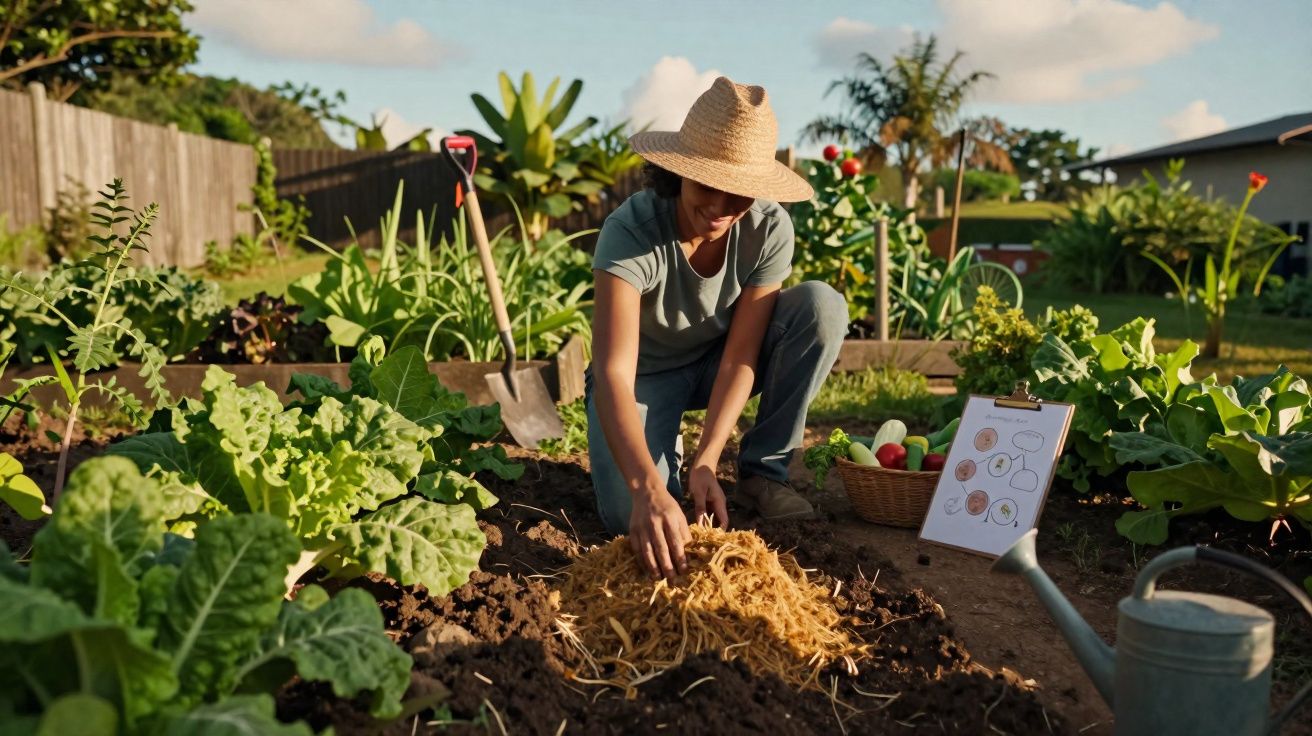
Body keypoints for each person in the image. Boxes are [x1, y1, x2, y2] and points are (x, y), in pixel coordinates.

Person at [587, 76, 848, 582]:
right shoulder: (632, 232)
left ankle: (761, 472)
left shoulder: (768, 228)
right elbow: (614, 373)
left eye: (741, 195)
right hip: (643, 376)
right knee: (629, 517)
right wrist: (647, 489)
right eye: (708, 186)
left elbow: (741, 355)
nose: (722, 209)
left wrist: (708, 460)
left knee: (822, 306)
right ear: (678, 173)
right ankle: (660, 456)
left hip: (717, 360)